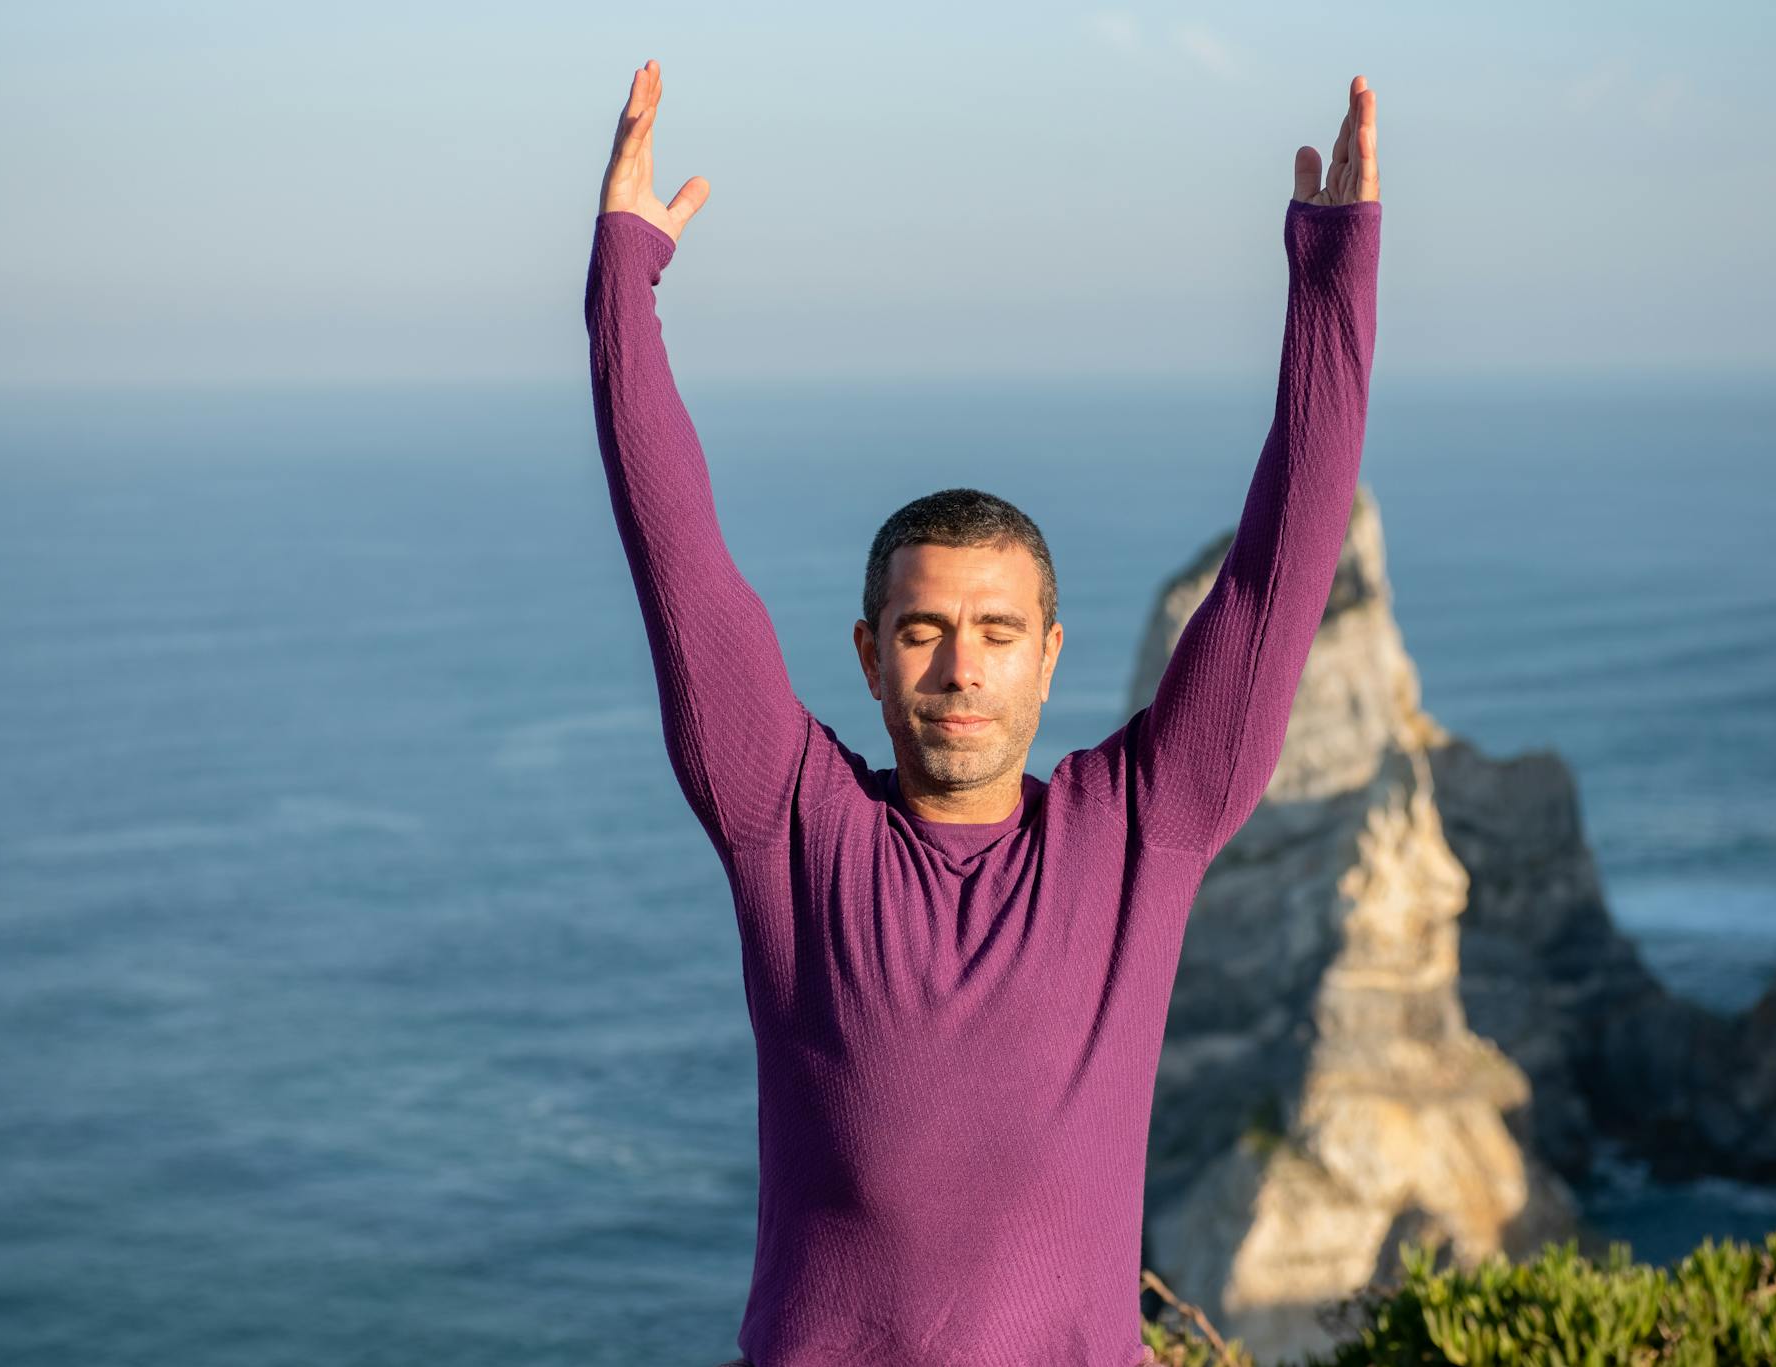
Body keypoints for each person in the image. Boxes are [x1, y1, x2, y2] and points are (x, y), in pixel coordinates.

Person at [587, 58, 1381, 1367]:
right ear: (869, 656)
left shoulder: (1143, 827)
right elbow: (680, 561)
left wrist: (1332, 281)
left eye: (999, 634)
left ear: (1051, 657)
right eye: (924, 631)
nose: (962, 668)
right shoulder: (787, 823)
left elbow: (1275, 580)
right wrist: (623, 284)